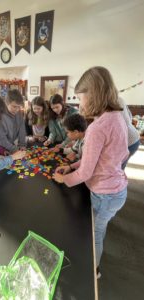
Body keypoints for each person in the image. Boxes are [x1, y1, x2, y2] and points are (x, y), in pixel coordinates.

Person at [53, 66, 129, 277]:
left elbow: (86, 173)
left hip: (105, 194)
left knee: (96, 233)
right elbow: (112, 157)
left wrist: (63, 177)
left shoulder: (96, 127)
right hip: (117, 189)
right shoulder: (117, 116)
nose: (80, 104)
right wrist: (71, 165)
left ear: (94, 95)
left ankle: (94, 271)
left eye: (81, 98)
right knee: (99, 228)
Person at [0, 89, 27, 154]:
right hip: (0, 148)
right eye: (14, 107)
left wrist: (22, 144)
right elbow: (1, 138)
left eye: (19, 107)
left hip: (12, 145)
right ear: (6, 103)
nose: (17, 109)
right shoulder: (0, 116)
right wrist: (14, 149)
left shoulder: (19, 113)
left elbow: (22, 130)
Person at [117, 97, 140, 169]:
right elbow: (130, 116)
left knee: (116, 171)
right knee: (119, 170)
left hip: (126, 142)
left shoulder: (103, 102)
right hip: (134, 139)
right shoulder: (119, 99)